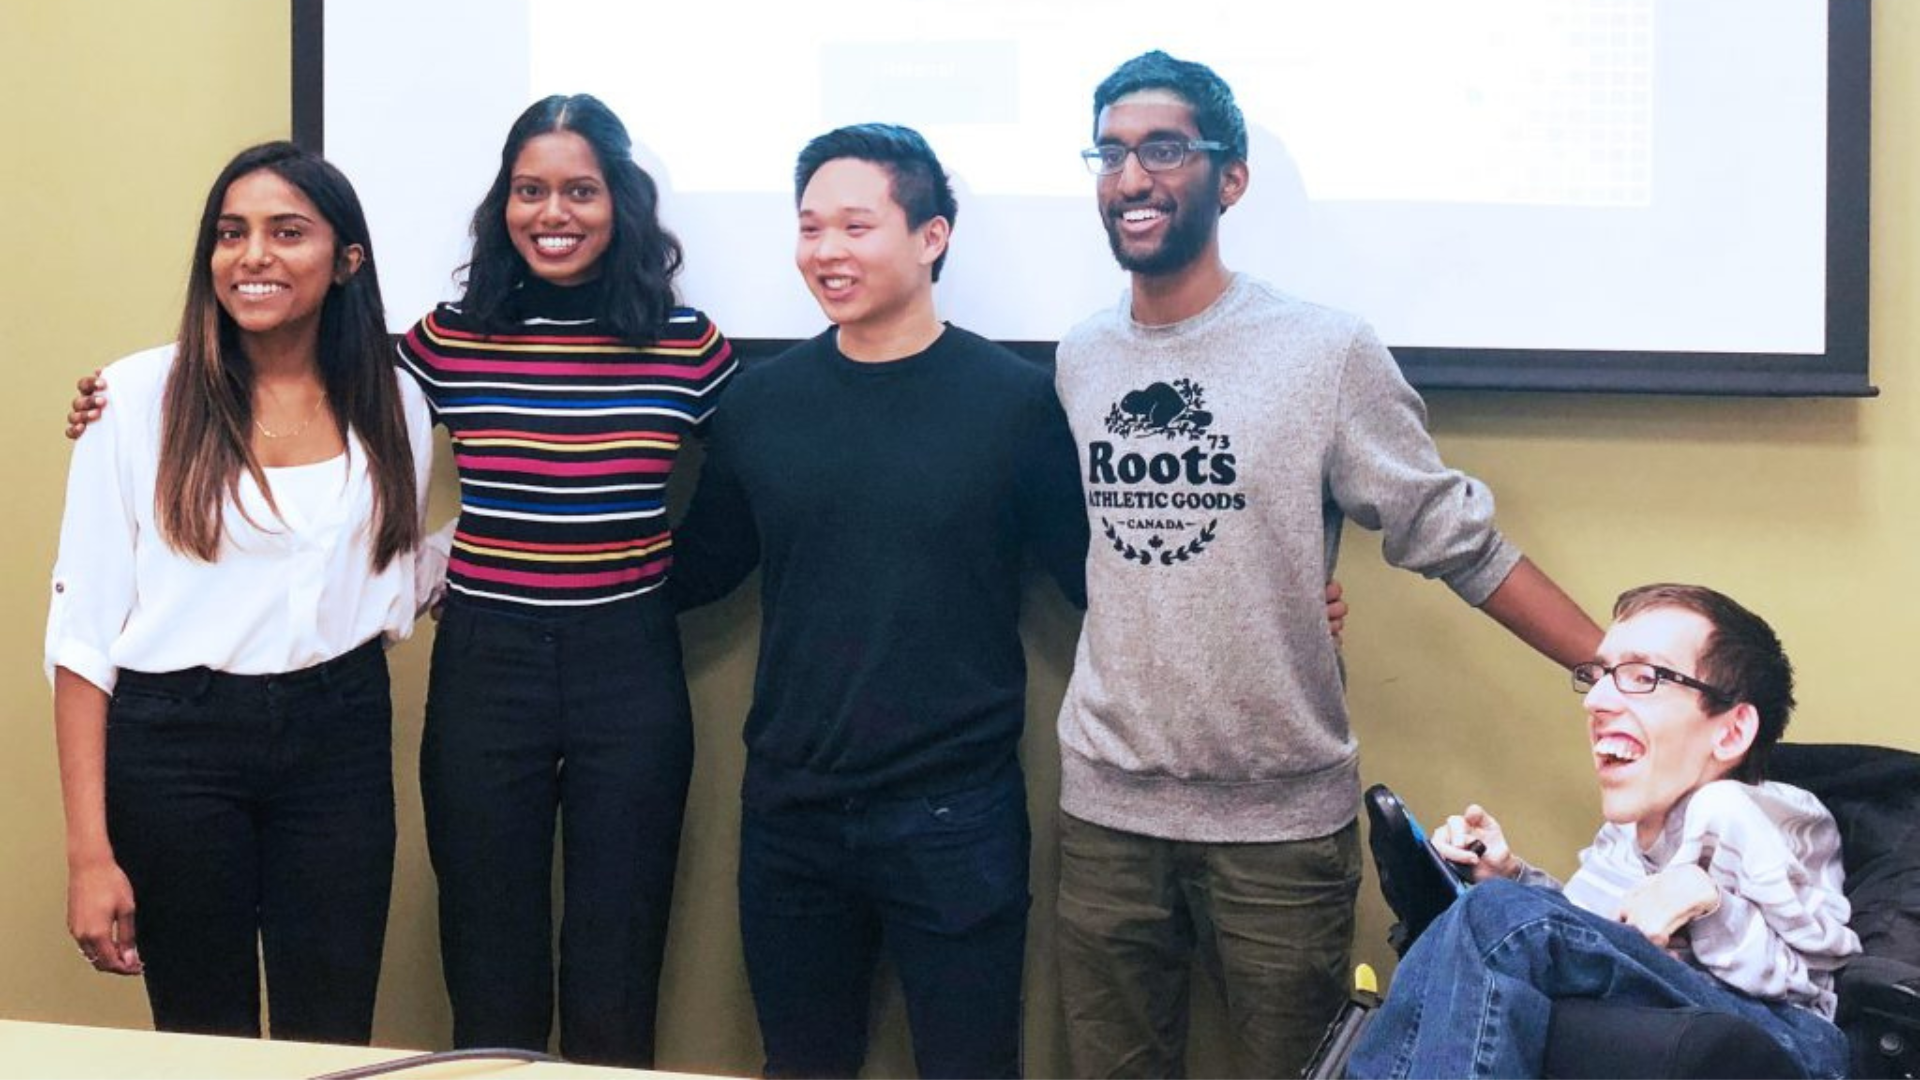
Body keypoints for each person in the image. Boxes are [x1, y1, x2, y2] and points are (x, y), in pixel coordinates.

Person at [66, 95, 736, 1068]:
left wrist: (649, 577)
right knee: (487, 961)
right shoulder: (441, 349)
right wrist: (114, 401)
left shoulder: (688, 346)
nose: (553, 212)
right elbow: (299, 379)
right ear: (502, 205)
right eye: (529, 190)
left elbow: (759, 476)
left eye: (581, 191)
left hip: (622, 663)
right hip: (483, 666)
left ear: (621, 202)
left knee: (616, 957)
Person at [1049, 51, 1606, 1078]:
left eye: (1163, 150)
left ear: (1231, 177)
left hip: (1279, 825)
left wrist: (1614, 668)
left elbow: (1451, 533)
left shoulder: (1323, 350)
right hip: (1108, 814)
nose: (1131, 178)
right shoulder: (1082, 355)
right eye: (1111, 154)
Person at [665, 123, 1088, 1079]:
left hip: (956, 815)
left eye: (856, 226)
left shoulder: (1012, 402)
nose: (826, 251)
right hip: (791, 811)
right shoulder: (761, 405)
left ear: (932, 236)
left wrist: (1268, 593)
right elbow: (699, 570)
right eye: (810, 226)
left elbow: (1095, 578)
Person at [46, 141, 433, 1043]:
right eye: (231, 233)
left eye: (287, 232)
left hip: (339, 736)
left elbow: (389, 574)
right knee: (200, 1033)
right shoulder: (134, 397)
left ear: (346, 261)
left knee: (331, 1029)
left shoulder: (393, 402)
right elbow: (81, 636)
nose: (253, 255)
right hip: (176, 747)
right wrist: (89, 855)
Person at [1347, 583, 1859, 1079]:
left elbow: (1815, 976)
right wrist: (1511, 877)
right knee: (1489, 914)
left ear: (1731, 731)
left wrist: (1712, 904)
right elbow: (1584, 938)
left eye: (1644, 677)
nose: (1595, 700)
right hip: (1686, 1014)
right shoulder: (1629, 832)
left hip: (1793, 1043)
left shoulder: (1749, 810)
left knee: (1495, 915)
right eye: (1599, 675)